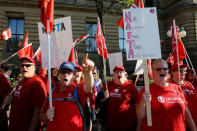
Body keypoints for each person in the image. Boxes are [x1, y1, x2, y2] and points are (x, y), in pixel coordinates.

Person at [136, 59, 196, 131]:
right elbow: (140, 117)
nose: (162, 71)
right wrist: (143, 102)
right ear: (153, 72)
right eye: (158, 69)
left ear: (168, 71)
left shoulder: (176, 88)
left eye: (165, 69)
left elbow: (187, 113)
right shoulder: (146, 90)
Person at [40, 53, 94, 131]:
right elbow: (40, 116)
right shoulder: (52, 92)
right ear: (59, 75)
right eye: (63, 72)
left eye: (69, 72)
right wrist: (46, 115)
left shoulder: (77, 90)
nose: (66, 74)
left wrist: (88, 72)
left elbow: (88, 86)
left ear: (73, 76)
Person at [3, 56, 47, 131]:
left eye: (28, 65)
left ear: (34, 68)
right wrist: (9, 100)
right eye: (22, 65)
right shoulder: (22, 81)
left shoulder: (36, 83)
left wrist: (31, 129)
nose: (24, 67)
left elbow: (37, 110)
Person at [97, 66, 139, 131]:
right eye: (116, 72)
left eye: (121, 72)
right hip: (111, 125)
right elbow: (99, 103)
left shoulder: (131, 87)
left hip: (128, 125)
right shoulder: (107, 86)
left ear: (125, 74)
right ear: (113, 75)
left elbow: (137, 105)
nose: (119, 73)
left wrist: (139, 124)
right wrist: (105, 98)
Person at [170, 64, 197, 128]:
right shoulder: (169, 85)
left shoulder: (189, 84)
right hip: (182, 123)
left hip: (195, 121)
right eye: (180, 70)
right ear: (172, 72)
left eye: (184, 70)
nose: (183, 72)